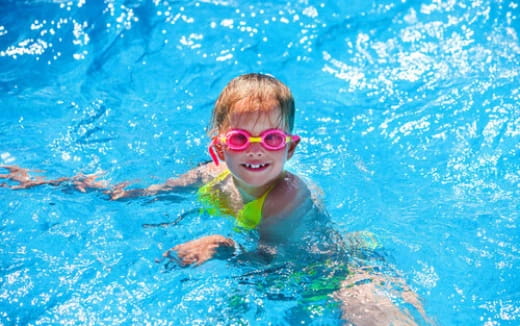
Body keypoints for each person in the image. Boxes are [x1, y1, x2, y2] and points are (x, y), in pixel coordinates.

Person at [0, 73, 431, 325]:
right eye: (242, 138)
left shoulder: (286, 196)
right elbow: (136, 195)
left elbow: (271, 265)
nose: (257, 149)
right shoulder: (210, 176)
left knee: (366, 310)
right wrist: (47, 182)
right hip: (286, 269)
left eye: (272, 138)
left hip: (332, 269)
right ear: (220, 149)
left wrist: (222, 248)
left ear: (290, 148)